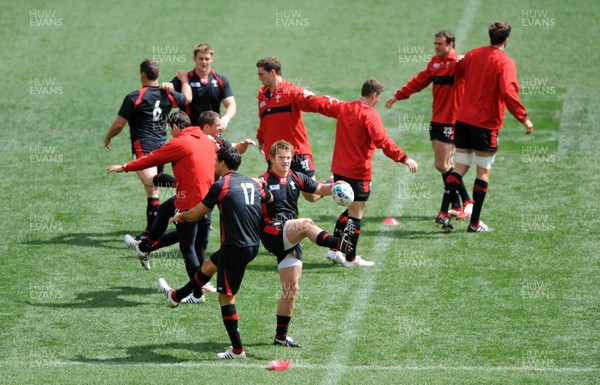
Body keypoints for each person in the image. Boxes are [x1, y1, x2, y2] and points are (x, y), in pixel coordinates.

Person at [158, 146, 269, 359]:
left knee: (226, 299)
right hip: (252, 244)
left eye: (215, 161)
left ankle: (237, 350)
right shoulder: (251, 182)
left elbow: (197, 214)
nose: (213, 164)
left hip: (235, 247)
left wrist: (179, 216)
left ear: (223, 164)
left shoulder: (221, 185)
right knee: (208, 265)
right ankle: (176, 297)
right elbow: (269, 198)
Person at [124, 111, 255, 281]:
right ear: (206, 127)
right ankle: (145, 247)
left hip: (200, 198)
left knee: (191, 244)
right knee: (169, 215)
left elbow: (232, 152)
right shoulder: (200, 140)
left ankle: (197, 287)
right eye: (218, 126)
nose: (221, 128)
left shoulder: (211, 141)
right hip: (194, 196)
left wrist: (125, 167)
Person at [107, 110, 217, 302]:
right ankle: (145, 247)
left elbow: (152, 159)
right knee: (166, 210)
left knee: (187, 247)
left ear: (175, 127)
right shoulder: (206, 139)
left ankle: (197, 294)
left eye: (169, 129)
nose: (170, 133)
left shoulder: (180, 142)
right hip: (206, 200)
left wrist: (124, 167)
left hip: (189, 202)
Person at [307, 79, 419, 266]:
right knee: (356, 215)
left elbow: (322, 104)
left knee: (352, 210)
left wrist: (304, 95)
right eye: (378, 98)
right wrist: (404, 157)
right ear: (374, 95)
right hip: (359, 173)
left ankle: (334, 251)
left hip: (340, 170)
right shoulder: (370, 115)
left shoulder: (344, 107)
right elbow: (382, 141)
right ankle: (351, 258)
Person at [259, 140, 356, 348]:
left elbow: (320, 188)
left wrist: (338, 186)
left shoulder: (296, 177)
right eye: (280, 158)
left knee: (290, 289)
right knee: (306, 224)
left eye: (288, 157)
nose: (285, 161)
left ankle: (281, 336)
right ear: (271, 159)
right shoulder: (263, 181)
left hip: (289, 236)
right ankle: (338, 243)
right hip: (272, 232)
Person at [440, 21, 534, 232]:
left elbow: (459, 71)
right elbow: (508, 93)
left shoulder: (473, 54)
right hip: (485, 125)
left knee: (460, 166)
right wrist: (524, 118)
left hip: (463, 120)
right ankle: (474, 223)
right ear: (506, 39)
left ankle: (443, 212)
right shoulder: (505, 63)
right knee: (483, 172)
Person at [385, 30, 473, 227]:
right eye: (435, 44)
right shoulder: (434, 63)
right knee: (447, 164)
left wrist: (466, 58)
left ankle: (468, 201)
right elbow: (419, 81)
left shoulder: (458, 64)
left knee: (441, 165)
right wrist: (399, 95)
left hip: (452, 121)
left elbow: (476, 64)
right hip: (437, 120)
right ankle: (457, 205)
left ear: (451, 45)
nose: (436, 47)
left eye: (440, 44)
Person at [104, 59, 191, 239]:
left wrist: (108, 137)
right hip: (162, 145)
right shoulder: (168, 94)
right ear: (157, 75)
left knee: (151, 181)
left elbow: (120, 124)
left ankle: (182, 185)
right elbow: (188, 98)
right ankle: (151, 231)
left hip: (144, 145)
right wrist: (183, 81)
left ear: (143, 74)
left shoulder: (134, 97)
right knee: (152, 189)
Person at [255, 57, 322, 201]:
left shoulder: (292, 91)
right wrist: (261, 139)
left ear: (272, 72)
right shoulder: (263, 97)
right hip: (275, 155)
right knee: (277, 195)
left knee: (311, 196)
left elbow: (313, 103)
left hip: (298, 152)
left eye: (262, 74)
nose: (259, 78)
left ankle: (331, 182)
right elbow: (264, 121)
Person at [161, 43, 236, 129]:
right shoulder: (184, 79)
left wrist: (225, 119)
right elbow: (169, 90)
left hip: (212, 131)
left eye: (207, 59)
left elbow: (231, 104)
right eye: (200, 58)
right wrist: (167, 85)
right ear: (194, 58)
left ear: (212, 59)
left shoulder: (220, 80)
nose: (204, 62)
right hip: (189, 131)